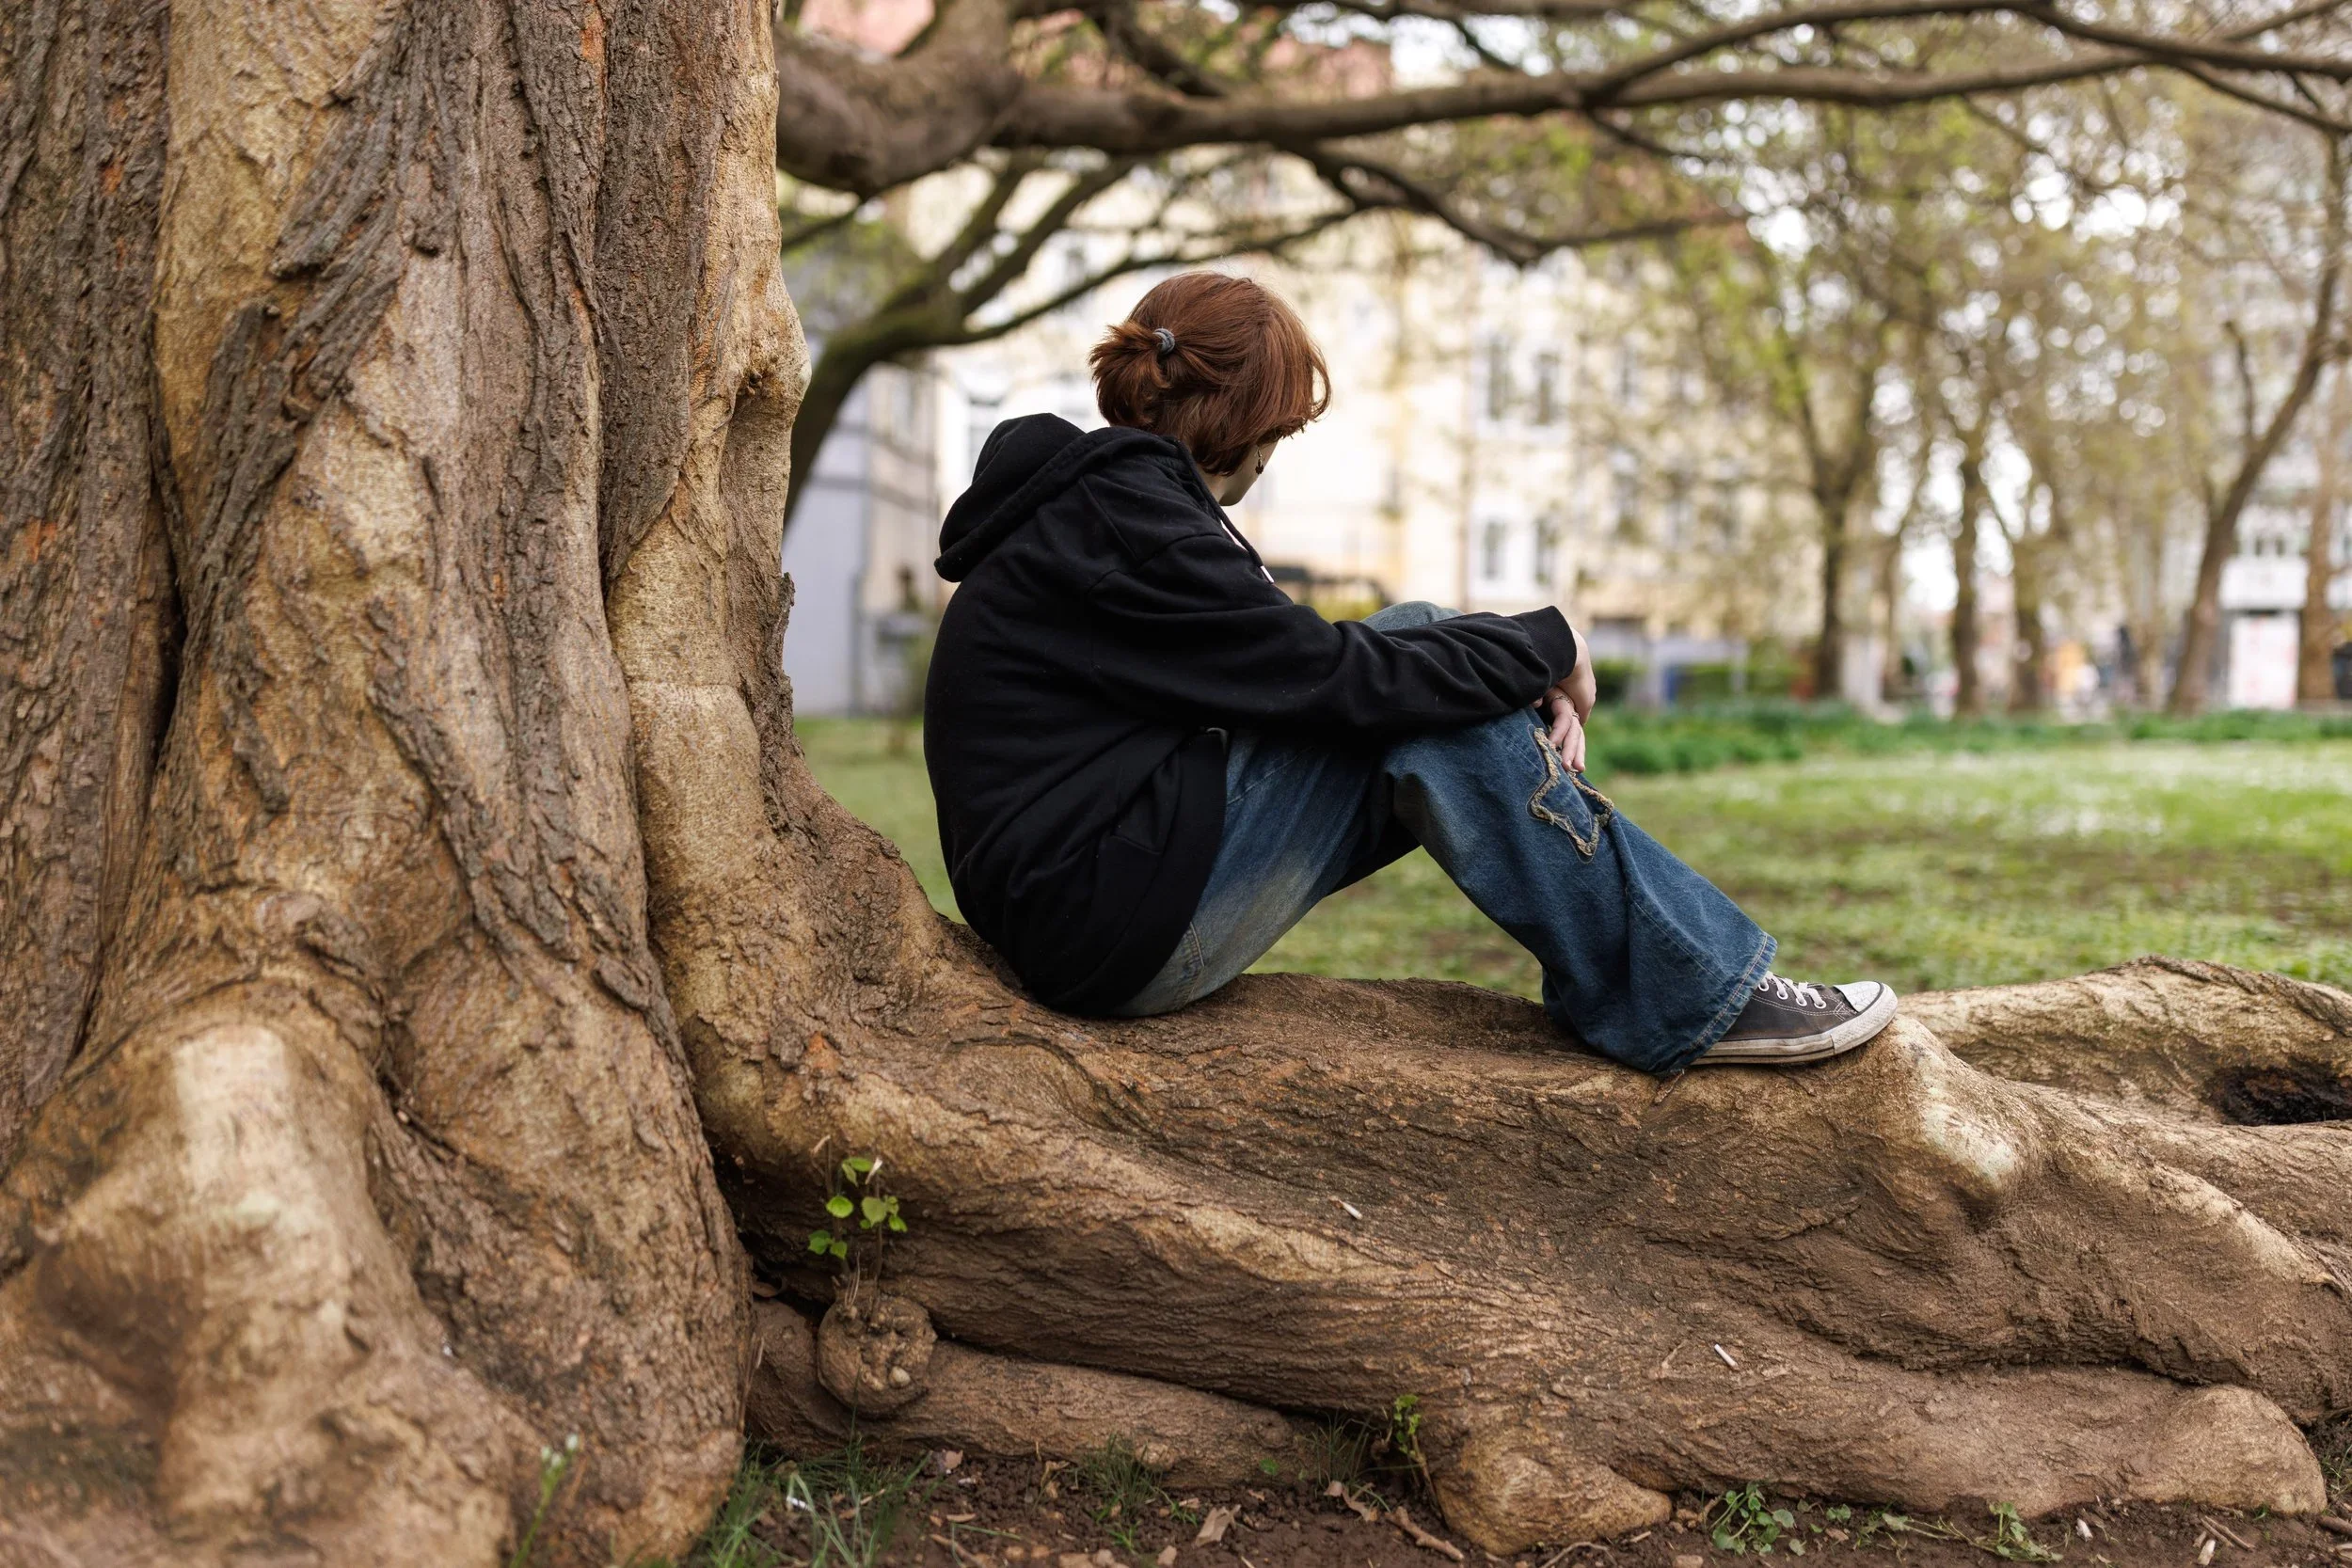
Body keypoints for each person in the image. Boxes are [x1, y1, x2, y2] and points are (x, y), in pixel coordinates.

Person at [922, 272, 1896, 1074]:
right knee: (1432, 703)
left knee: (1427, 654)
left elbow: (1323, 665)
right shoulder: (1127, 524)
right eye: (1282, 429)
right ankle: (1699, 994)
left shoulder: (1098, 509)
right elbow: (1340, 679)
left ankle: (1655, 963)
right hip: (1106, 924)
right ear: (1251, 423)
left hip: (1095, 897)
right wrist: (1550, 644)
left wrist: (1515, 650)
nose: (1275, 456)